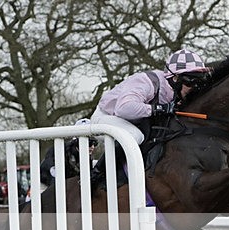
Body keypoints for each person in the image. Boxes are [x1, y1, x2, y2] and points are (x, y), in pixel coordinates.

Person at [89, 49, 209, 187]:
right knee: (135, 136)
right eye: (190, 82)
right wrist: (158, 109)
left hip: (132, 121)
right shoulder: (147, 82)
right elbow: (123, 108)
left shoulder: (175, 91)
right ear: (175, 79)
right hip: (105, 117)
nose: (193, 88)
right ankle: (96, 174)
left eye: (198, 83)